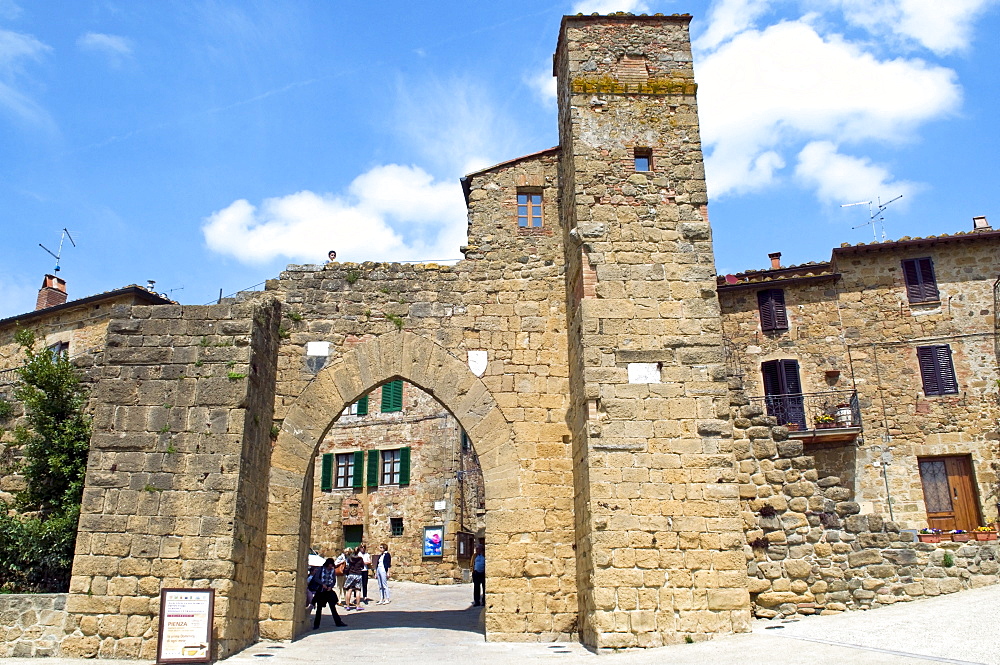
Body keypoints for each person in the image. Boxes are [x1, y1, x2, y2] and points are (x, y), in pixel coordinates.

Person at [312, 558, 346, 629]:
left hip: (328, 591)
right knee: (319, 608)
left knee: (332, 607)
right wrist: (322, 584)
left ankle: (338, 622)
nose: (331, 566)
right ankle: (316, 624)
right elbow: (316, 578)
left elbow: (333, 580)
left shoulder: (333, 570)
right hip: (321, 591)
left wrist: (331, 586)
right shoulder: (321, 569)